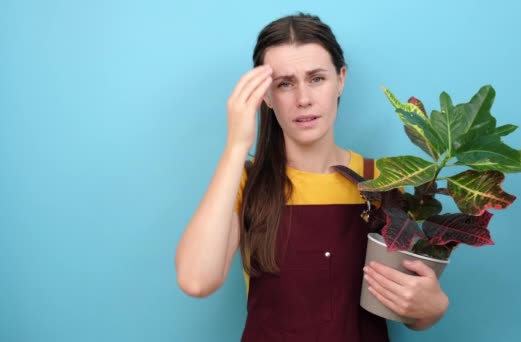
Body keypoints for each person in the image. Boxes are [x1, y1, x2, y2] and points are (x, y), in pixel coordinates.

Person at [175, 13, 449, 341]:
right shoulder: (245, 182)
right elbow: (196, 280)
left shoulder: (384, 180)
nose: (303, 99)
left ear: (341, 79)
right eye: (284, 84)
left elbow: (408, 307)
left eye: (316, 78)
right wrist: (236, 146)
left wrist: (433, 307)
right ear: (266, 96)